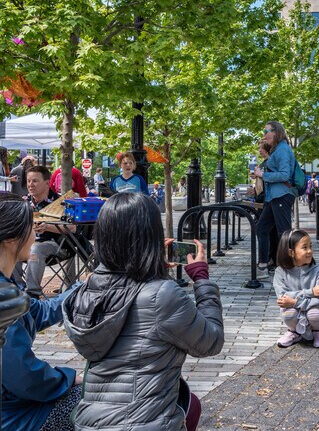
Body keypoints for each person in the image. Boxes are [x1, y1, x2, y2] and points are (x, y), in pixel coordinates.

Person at [62, 192, 224, 431]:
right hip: (145, 423)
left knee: (193, 404)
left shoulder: (87, 290)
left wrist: (154, 267)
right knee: (191, 405)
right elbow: (211, 341)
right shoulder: (162, 294)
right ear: (151, 236)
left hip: (90, 422)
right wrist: (201, 278)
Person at [0, 193, 83, 431]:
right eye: (30, 227)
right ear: (10, 238)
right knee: (99, 401)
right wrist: (66, 379)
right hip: (15, 417)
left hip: (14, 407)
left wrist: (89, 284)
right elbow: (23, 376)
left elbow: (40, 312)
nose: (35, 234)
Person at [20, 166, 76, 298]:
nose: (30, 185)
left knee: (36, 248)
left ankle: (32, 294)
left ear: (47, 182)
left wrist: (47, 227)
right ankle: (16, 287)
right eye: (28, 181)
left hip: (57, 245)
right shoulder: (25, 202)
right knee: (9, 243)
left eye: (35, 181)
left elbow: (72, 228)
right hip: (29, 243)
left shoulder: (61, 202)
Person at [253, 121, 297, 279]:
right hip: (274, 197)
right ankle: (264, 265)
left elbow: (285, 175)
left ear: (276, 132)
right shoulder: (278, 149)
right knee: (262, 228)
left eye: (266, 131)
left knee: (283, 233)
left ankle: (288, 268)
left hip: (282, 196)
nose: (264, 135)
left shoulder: (283, 149)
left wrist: (262, 175)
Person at [273, 229, 319, 348]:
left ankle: (317, 332)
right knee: (289, 313)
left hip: (311, 310)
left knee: (315, 314)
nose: (310, 251)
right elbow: (283, 298)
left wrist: (294, 302)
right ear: (291, 252)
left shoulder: (317, 272)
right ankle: (294, 332)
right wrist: (310, 292)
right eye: (305, 247)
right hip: (293, 310)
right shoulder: (280, 272)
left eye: (311, 246)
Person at [248, 140, 279, 271]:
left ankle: (265, 261)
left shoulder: (269, 163)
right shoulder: (264, 164)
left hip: (269, 200)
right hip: (266, 201)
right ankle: (270, 260)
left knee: (263, 229)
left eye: (260, 148)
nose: (259, 150)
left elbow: (268, 184)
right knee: (268, 231)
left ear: (266, 149)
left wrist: (257, 193)